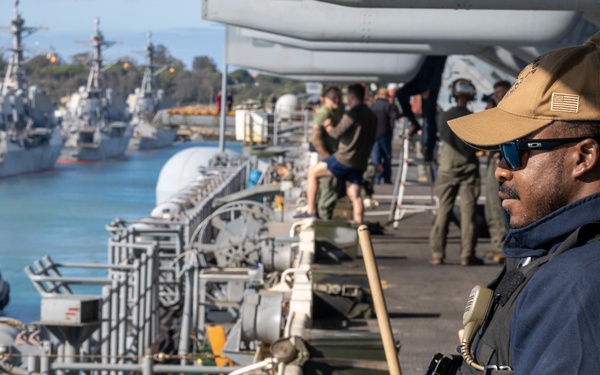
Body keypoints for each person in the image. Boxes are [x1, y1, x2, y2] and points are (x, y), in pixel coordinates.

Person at [443, 32, 600, 374]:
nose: (500, 169)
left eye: (514, 151)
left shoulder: (579, 285)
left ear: (583, 156)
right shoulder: (549, 255)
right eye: (499, 152)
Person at [297, 83, 377, 224]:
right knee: (355, 195)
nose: (339, 101)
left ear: (351, 96)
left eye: (341, 97)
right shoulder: (371, 115)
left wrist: (328, 126)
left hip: (344, 158)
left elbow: (335, 133)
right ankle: (359, 226)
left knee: (312, 174)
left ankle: (310, 211)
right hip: (360, 161)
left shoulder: (352, 113)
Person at [429, 79, 482, 267]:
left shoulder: (444, 116)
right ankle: (467, 255)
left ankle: (437, 254)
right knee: (468, 213)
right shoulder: (472, 117)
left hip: (447, 168)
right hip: (468, 168)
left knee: (443, 210)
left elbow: (440, 136)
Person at [395, 55, 447, 161]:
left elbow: (438, 73)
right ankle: (414, 122)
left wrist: (430, 89)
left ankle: (429, 148)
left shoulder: (440, 53)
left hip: (430, 86)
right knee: (401, 94)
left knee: (428, 117)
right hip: (419, 80)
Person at [483, 80, 512, 263]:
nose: (497, 97)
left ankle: (506, 246)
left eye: (501, 93)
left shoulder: (512, 115)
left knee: (506, 208)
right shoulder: (495, 113)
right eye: (496, 95)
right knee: (493, 206)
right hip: (496, 162)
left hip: (508, 164)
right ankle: (500, 245)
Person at [309, 86, 345, 219]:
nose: (337, 100)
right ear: (325, 99)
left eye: (339, 97)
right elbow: (315, 137)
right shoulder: (324, 112)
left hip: (336, 155)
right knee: (328, 190)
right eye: (333, 97)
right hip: (329, 156)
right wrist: (327, 157)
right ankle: (323, 223)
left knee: (334, 190)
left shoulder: (337, 111)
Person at [370, 88, 400, 184]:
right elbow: (394, 117)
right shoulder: (388, 106)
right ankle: (387, 178)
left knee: (375, 157)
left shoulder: (373, 106)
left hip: (374, 134)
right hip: (385, 134)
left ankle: (376, 178)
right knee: (387, 157)